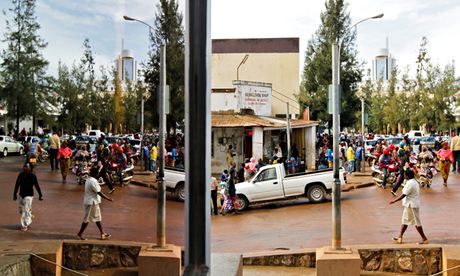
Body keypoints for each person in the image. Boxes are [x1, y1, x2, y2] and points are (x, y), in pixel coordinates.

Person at [389, 169, 428, 244]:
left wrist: (394, 201)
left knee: (416, 223)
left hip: (411, 205)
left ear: (406, 176)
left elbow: (404, 194)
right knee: (405, 221)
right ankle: (400, 237)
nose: (403, 176)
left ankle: (424, 239)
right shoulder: (413, 181)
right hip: (409, 205)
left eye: (404, 175)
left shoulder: (410, 183)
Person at [77, 167, 113, 240]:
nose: (99, 174)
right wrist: (108, 198)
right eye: (98, 173)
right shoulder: (93, 181)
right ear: (96, 174)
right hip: (91, 202)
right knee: (86, 219)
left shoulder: (89, 180)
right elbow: (99, 192)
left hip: (93, 202)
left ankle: (103, 233)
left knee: (98, 218)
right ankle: (79, 234)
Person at [13, 163, 43, 231]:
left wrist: (40, 195)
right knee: (21, 210)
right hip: (21, 195)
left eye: (27, 167)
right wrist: (14, 194)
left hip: (28, 196)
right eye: (24, 167)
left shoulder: (33, 176)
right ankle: (29, 215)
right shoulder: (21, 175)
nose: (25, 168)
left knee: (24, 211)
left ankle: (24, 225)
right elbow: (17, 184)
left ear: (30, 168)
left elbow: (37, 186)